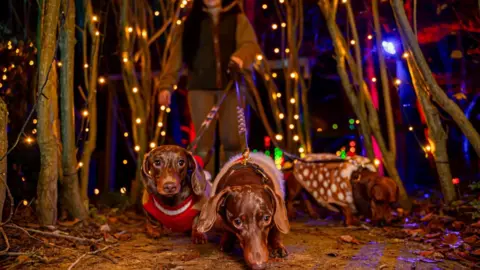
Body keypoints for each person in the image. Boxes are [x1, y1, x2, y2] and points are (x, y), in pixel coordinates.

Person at [156, 0, 261, 174]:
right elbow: (176, 57)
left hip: (231, 86)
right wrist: (166, 85)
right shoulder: (190, 22)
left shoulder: (237, 18)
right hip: (199, 88)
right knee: (202, 143)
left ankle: (231, 182)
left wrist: (240, 57)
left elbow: (250, 45)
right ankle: (204, 184)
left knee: (233, 140)